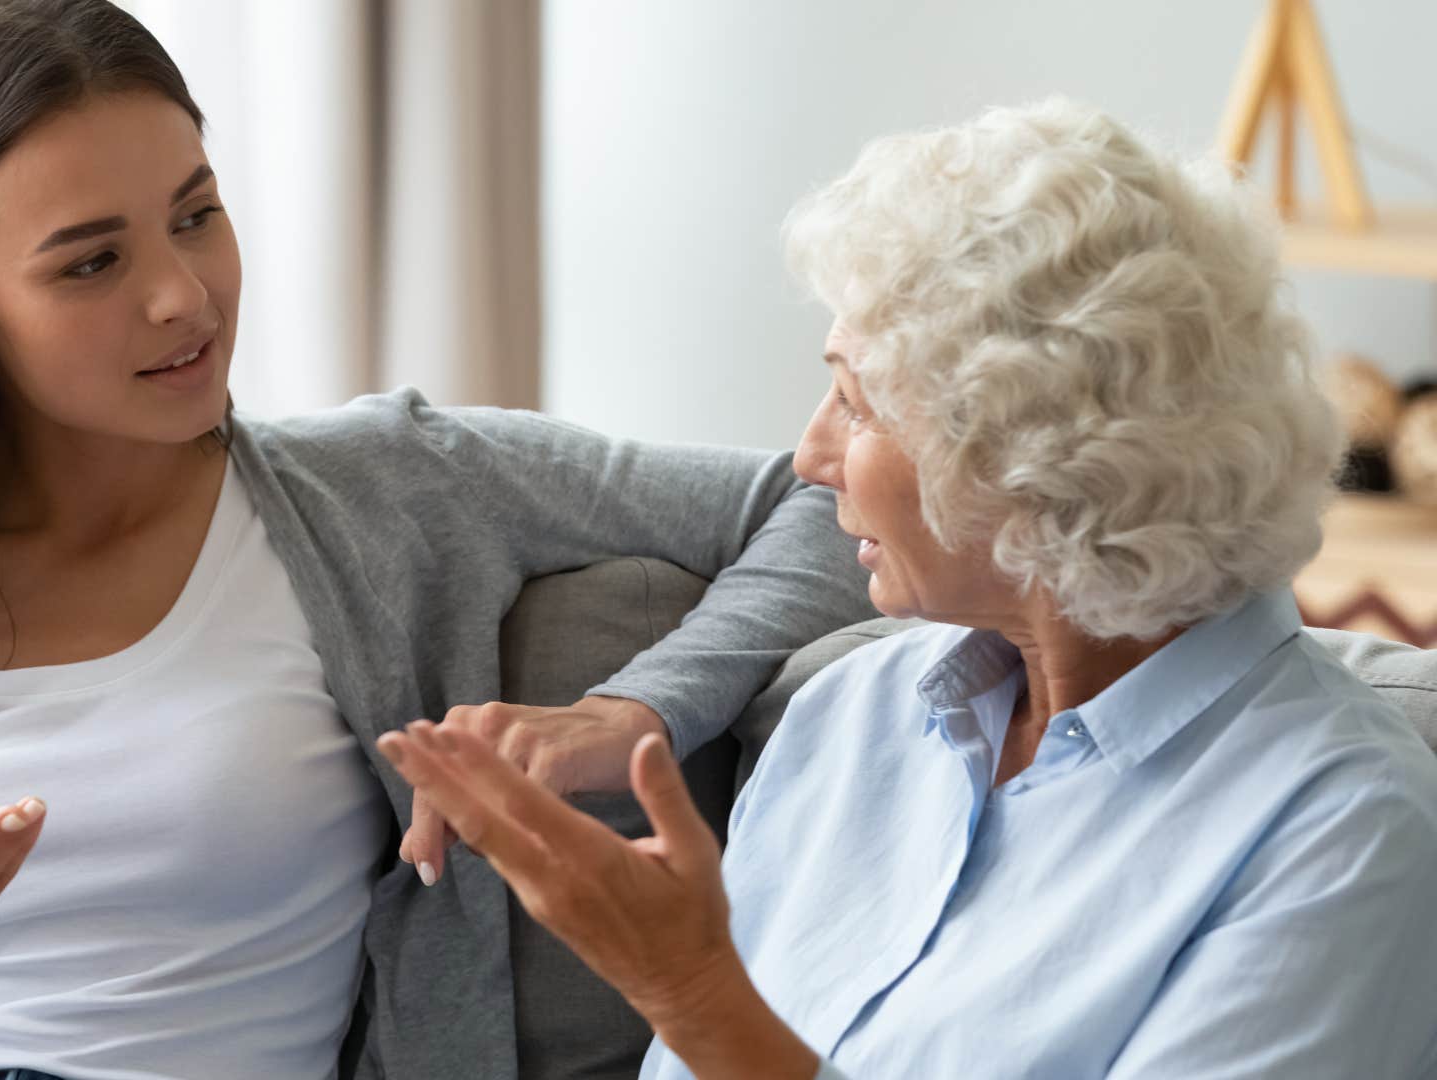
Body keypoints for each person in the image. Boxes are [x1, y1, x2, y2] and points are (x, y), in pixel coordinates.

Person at [0, 2, 874, 1079]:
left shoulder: (390, 485)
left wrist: (637, 711)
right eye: (93, 261)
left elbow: (826, 497)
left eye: (197, 215)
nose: (183, 295)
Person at [376, 97, 1437, 1078]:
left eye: (858, 403)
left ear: (1040, 454)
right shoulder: (852, 717)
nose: (810, 456)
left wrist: (689, 989)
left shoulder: (1341, 830)